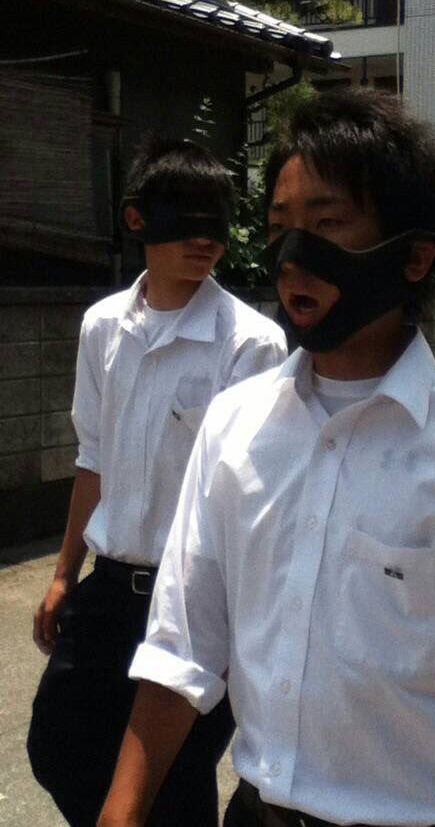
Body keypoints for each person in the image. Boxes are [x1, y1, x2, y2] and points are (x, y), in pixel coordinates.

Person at [98, 88, 435, 827]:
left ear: (415, 256)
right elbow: (181, 646)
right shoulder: (234, 425)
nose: (293, 257)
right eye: (280, 227)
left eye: (327, 224)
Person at [27, 137, 287, 827]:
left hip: (198, 603)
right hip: (111, 587)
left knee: (172, 784)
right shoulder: (103, 326)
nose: (206, 240)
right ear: (138, 219)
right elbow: (93, 457)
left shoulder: (250, 342)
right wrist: (63, 574)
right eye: (187, 220)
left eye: (217, 222)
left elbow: (254, 497)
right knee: (58, 748)